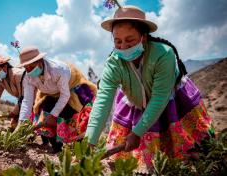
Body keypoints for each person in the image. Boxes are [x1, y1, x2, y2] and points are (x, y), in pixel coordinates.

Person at [85, 6, 214, 172]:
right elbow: (103, 100)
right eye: (118, 41)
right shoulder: (114, 63)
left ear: (143, 37)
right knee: (148, 160)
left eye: (130, 40)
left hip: (170, 100)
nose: (123, 46)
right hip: (136, 101)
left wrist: (137, 132)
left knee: (193, 152)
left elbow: (160, 97)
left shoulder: (163, 54)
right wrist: (90, 141)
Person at [17, 46, 97, 153]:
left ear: (40, 61)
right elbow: (27, 100)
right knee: (46, 115)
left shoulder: (58, 70)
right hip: (50, 93)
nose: (29, 70)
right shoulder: (28, 77)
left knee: (71, 116)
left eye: (31, 66)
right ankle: (57, 149)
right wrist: (22, 123)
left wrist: (54, 115)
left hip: (72, 88)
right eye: (26, 68)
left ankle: (80, 150)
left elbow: (64, 95)